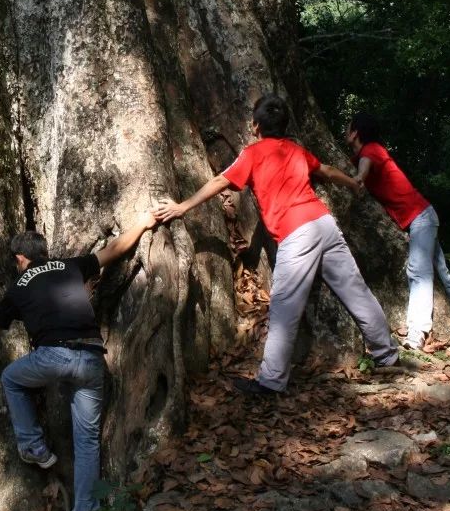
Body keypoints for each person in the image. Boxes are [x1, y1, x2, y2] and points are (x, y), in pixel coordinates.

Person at [0, 210, 162, 511]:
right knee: (87, 440)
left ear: (21, 258)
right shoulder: (71, 265)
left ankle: (34, 447)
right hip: (93, 358)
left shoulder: (19, 286)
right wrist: (144, 222)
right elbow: (115, 249)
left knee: (11, 377)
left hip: (54, 356)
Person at [159, 93, 398, 396]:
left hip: (296, 233)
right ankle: (386, 354)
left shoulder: (252, 153)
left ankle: (270, 382)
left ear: (255, 126)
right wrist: (352, 183)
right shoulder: (296, 150)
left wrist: (182, 207)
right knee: (355, 289)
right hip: (324, 224)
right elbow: (325, 170)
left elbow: (220, 181)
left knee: (284, 306)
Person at [346, 112, 450, 350]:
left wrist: (354, 179)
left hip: (421, 218)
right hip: (421, 218)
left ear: (355, 133)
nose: (345, 132)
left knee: (418, 272)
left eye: (347, 128)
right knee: (443, 275)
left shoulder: (371, 151)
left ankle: (417, 332)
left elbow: (361, 175)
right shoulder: (367, 153)